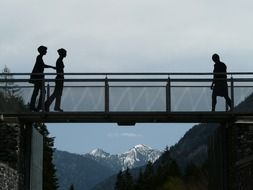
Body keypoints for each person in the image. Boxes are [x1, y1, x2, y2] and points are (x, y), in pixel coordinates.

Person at [29, 46, 56, 111]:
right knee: (39, 91)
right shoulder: (39, 57)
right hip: (37, 78)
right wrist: (52, 67)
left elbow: (42, 65)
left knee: (38, 91)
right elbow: (43, 65)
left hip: (38, 77)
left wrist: (51, 67)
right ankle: (37, 106)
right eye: (45, 50)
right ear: (42, 51)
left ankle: (36, 106)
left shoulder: (39, 57)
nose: (46, 51)